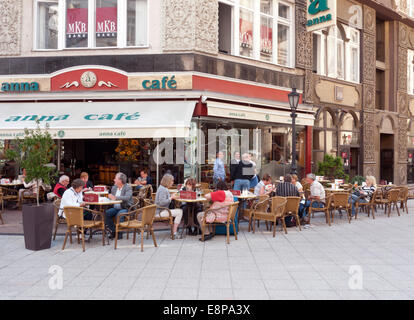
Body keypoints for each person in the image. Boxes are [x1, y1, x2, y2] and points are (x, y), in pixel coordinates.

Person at [105, 172, 134, 240]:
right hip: (115, 207)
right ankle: (114, 231)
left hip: (125, 207)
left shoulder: (128, 187)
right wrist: (108, 198)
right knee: (107, 213)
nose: (114, 180)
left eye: (115, 178)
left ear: (120, 180)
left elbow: (127, 197)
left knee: (119, 214)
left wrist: (115, 197)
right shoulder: (114, 187)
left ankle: (119, 233)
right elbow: (111, 198)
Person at [155, 173, 183, 238]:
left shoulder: (163, 188)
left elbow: (165, 199)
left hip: (160, 210)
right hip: (159, 212)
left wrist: (172, 196)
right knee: (180, 212)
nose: (173, 182)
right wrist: (171, 198)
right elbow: (162, 202)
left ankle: (174, 230)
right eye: (172, 181)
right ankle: (174, 232)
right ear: (168, 181)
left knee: (178, 210)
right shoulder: (163, 189)